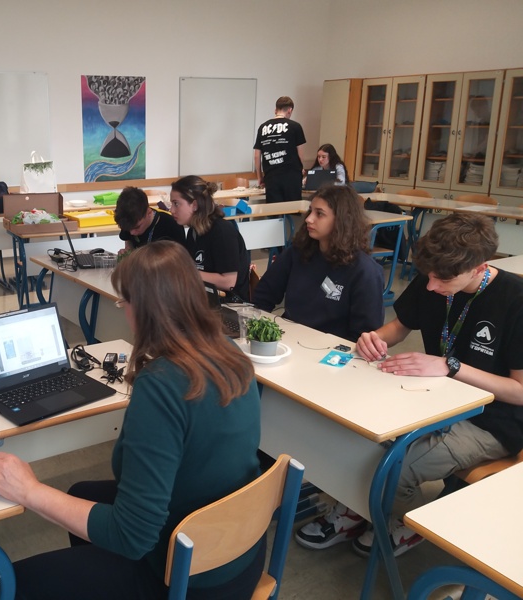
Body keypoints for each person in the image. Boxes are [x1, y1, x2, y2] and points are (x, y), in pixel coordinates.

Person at [0, 240, 263, 600]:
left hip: (190, 581)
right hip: (239, 552)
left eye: (123, 302)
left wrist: (29, 491)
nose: (123, 311)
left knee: (15, 580)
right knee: (81, 494)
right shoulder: (229, 351)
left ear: (142, 309)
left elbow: (133, 536)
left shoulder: (162, 385)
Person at [296, 213, 523, 557]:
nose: (431, 286)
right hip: (434, 399)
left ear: (479, 268)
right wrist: (374, 338)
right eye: (427, 276)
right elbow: (399, 327)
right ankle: (358, 510)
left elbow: (519, 391)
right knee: (354, 436)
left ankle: (413, 524)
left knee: (395, 472)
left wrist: (450, 367)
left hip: (492, 421)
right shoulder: (435, 274)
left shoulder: (515, 301)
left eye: (442, 280)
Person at [251, 185, 384, 342]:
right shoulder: (298, 252)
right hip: (290, 340)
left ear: (342, 221)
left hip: (331, 350)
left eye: (319, 214)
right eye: (310, 211)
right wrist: (258, 333)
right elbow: (264, 295)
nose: (309, 219)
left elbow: (364, 335)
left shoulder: (365, 271)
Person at [169, 175, 251, 302]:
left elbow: (228, 282)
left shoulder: (222, 232)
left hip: (230, 304)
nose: (171, 210)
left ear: (194, 205)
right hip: (204, 298)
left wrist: (187, 272)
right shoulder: (193, 232)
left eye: (176, 204)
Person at [253, 96, 306, 203]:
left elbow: (257, 155)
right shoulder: (295, 126)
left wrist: (260, 177)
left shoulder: (262, 127)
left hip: (271, 176)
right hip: (291, 176)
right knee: (293, 208)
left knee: (274, 210)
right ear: (290, 110)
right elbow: (300, 153)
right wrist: (301, 168)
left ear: (275, 110)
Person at [113, 186, 185, 251]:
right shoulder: (128, 221)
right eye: (129, 229)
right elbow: (128, 240)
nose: (132, 233)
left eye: (137, 227)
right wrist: (128, 252)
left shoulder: (172, 227)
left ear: (149, 212)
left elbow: (180, 258)